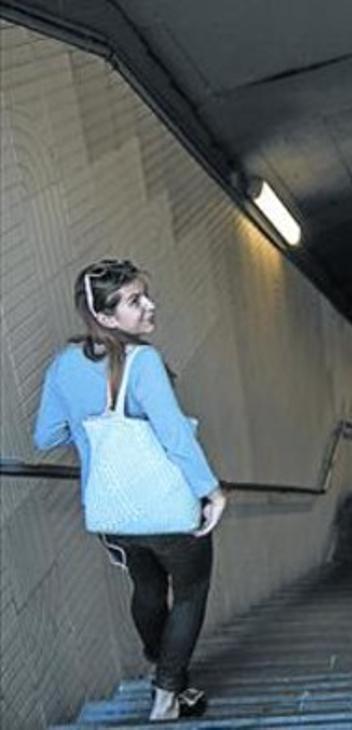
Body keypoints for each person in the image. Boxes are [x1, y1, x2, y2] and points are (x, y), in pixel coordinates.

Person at [34, 259, 227, 721]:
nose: (149, 306)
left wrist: (93, 438)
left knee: (146, 588)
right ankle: (167, 693)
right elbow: (174, 434)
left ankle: (169, 676)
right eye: (135, 301)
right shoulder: (143, 361)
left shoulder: (63, 365)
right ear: (104, 316)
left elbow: (47, 436)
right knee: (190, 592)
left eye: (145, 296)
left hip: (113, 512)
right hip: (167, 510)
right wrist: (212, 491)